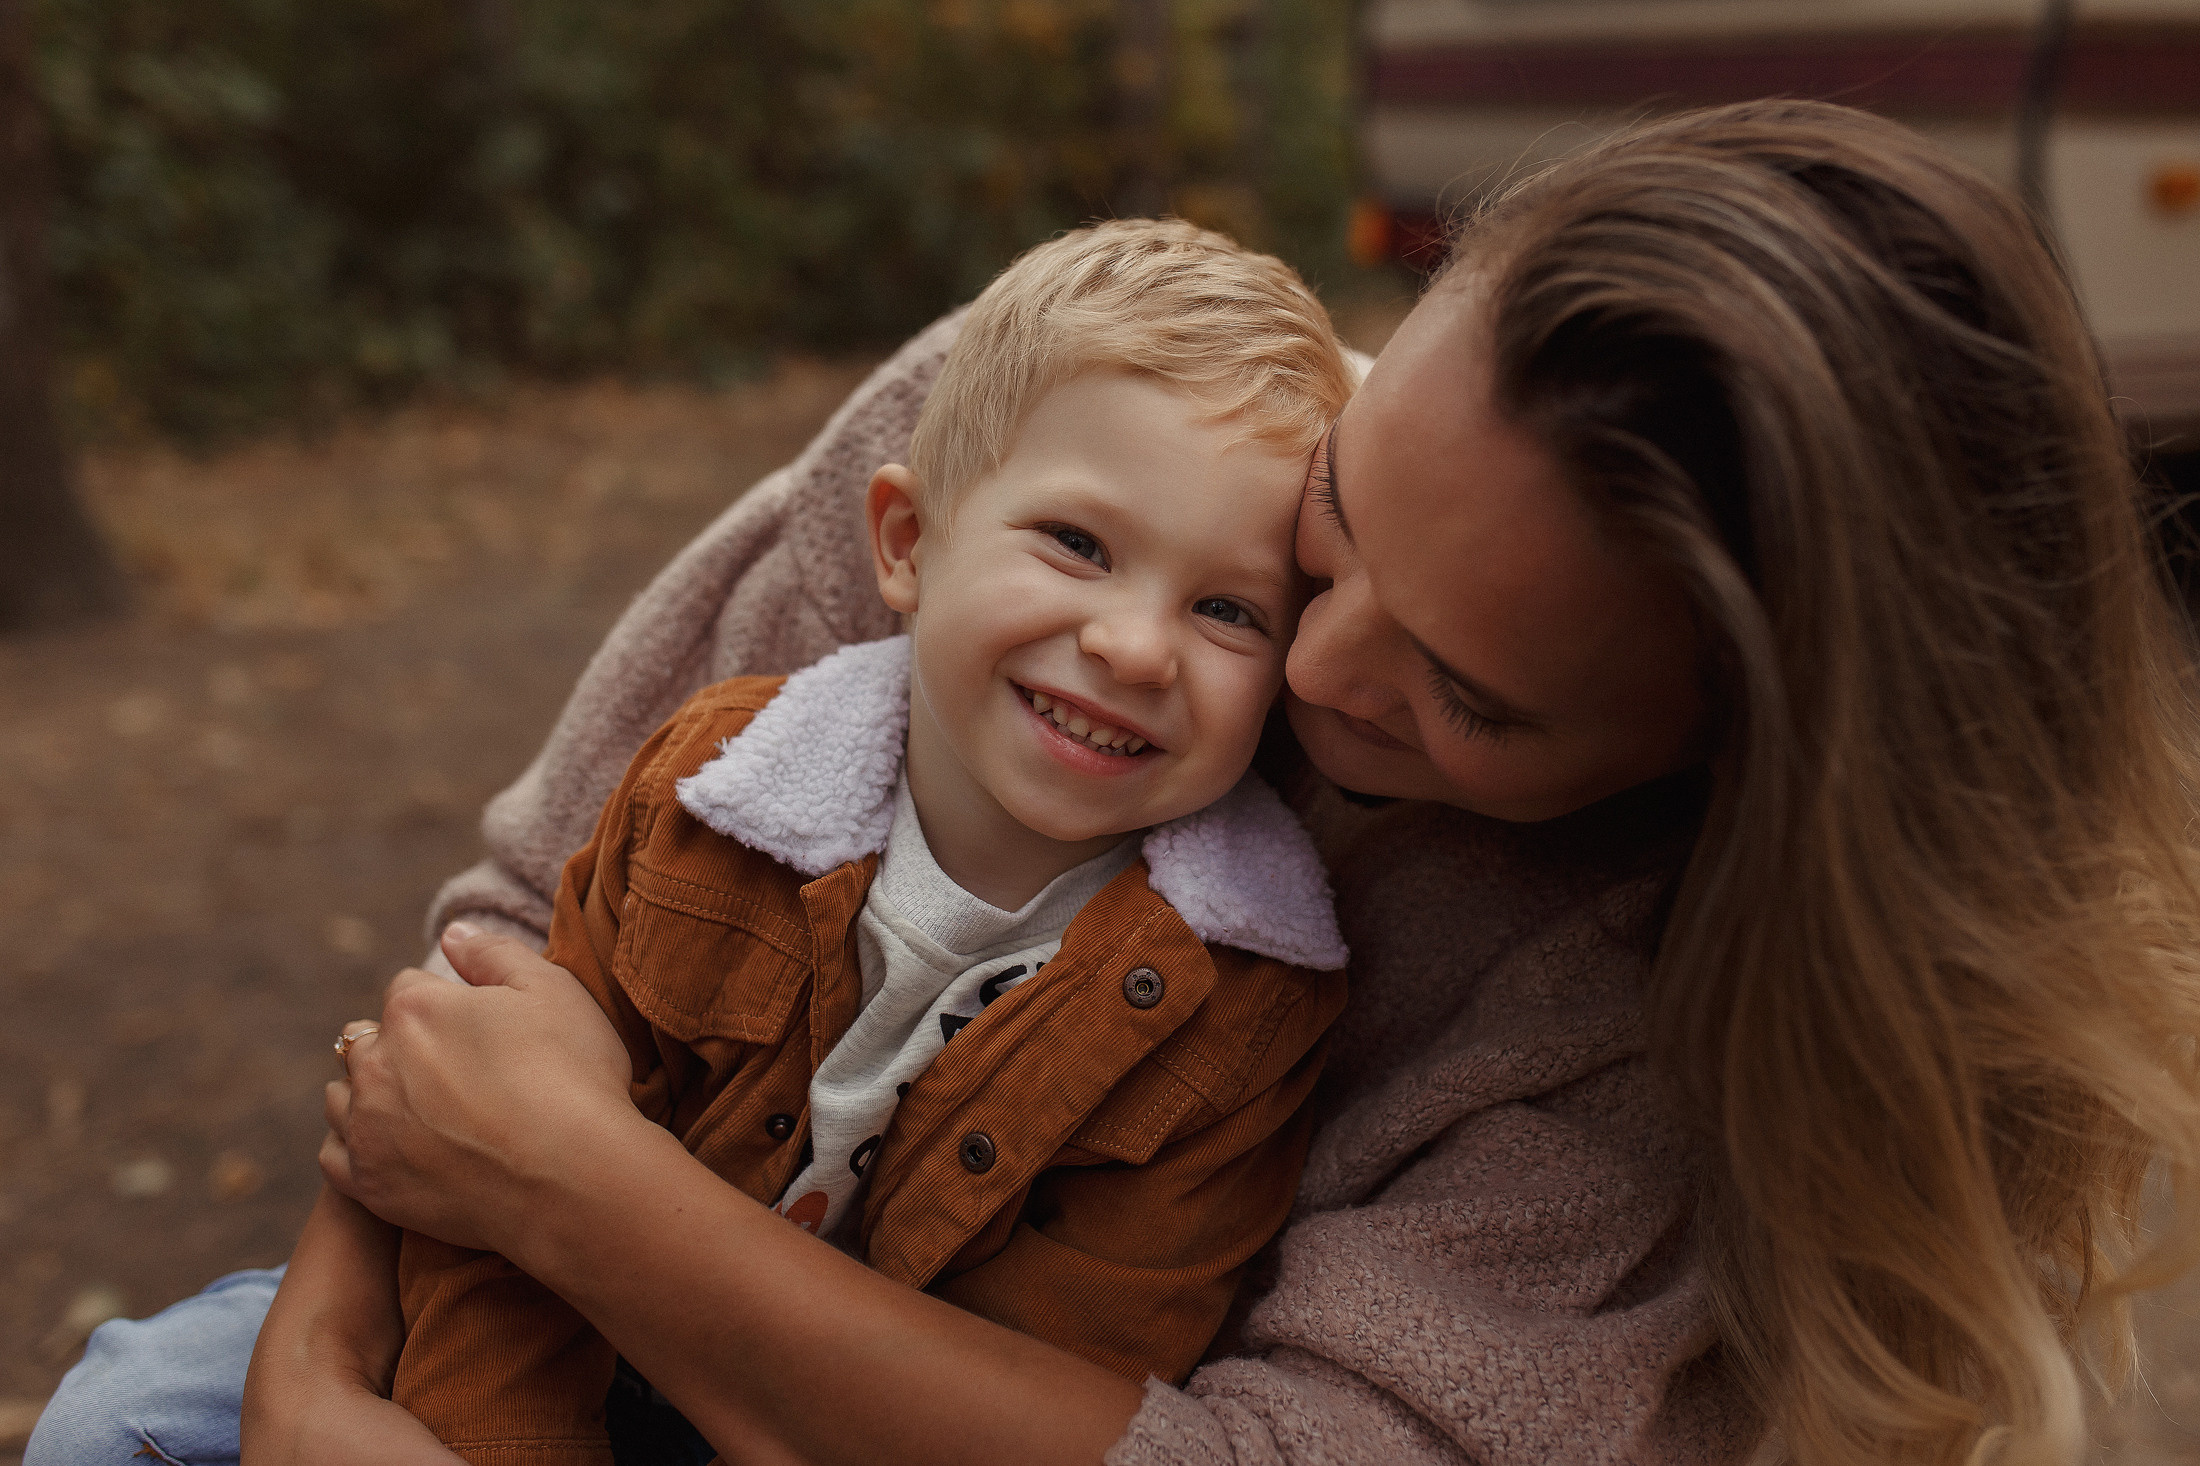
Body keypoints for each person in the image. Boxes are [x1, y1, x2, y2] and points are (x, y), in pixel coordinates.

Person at [30, 99, 2200, 1466]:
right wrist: (329, 1390)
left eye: (1472, 699)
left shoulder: (1636, 1017)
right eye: (1339, 512)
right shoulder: (1088, 422)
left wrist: (585, 1196)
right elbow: (519, 948)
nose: (1311, 673)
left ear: (1719, 754)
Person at [369, 218, 1355, 1464]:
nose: (1135, 646)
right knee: (127, 1405)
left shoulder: (1245, 1002)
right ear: (907, 543)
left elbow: (1062, 1369)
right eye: (1078, 544)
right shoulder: (706, 793)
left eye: (1226, 609)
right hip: (564, 1363)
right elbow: (495, 1182)